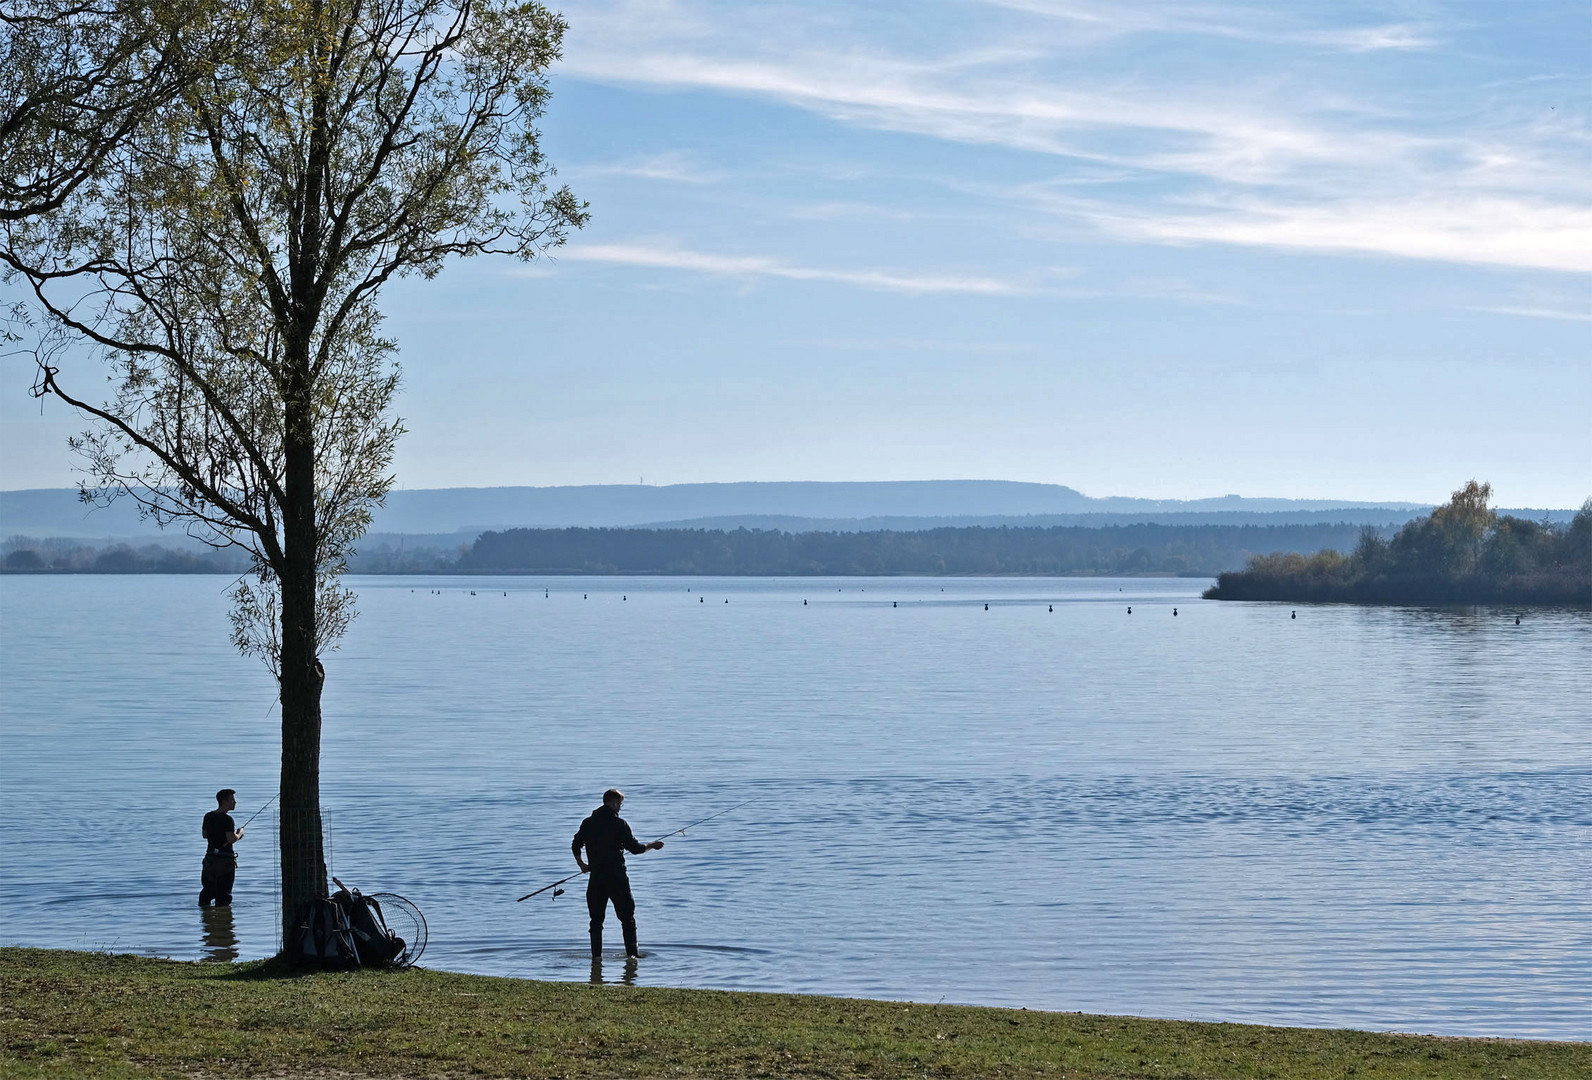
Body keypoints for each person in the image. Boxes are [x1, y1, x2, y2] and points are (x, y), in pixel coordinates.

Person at [572, 788, 663, 959]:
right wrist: (652, 845)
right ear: (613, 802)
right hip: (617, 878)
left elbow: (575, 845)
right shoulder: (619, 824)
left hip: (596, 878)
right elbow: (635, 849)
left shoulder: (588, 822)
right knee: (627, 919)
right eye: (620, 804)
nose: (620, 807)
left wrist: (582, 864)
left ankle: (596, 958)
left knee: (596, 922)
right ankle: (632, 957)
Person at [199, 788, 245, 907]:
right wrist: (239, 833)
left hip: (209, 861)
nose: (235, 802)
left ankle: (206, 921)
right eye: (232, 800)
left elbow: (204, 835)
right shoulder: (227, 819)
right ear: (224, 801)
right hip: (224, 862)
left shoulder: (208, 816)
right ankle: (223, 923)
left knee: (207, 892)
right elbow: (231, 839)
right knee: (223, 896)